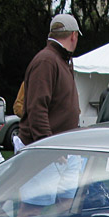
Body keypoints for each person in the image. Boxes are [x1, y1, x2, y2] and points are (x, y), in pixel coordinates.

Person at [18, 13, 82, 149]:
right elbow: (37, 108)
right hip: (46, 149)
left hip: (59, 146)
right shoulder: (47, 61)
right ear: (73, 36)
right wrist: (48, 145)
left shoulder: (60, 59)